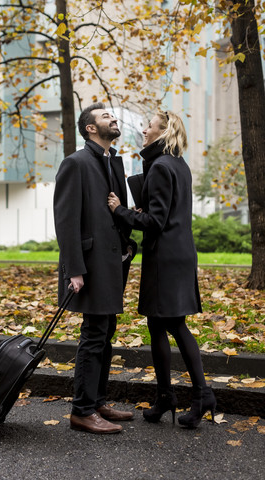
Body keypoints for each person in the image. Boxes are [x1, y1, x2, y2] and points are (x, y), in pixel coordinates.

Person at [108, 110, 216, 428]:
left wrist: (121, 211)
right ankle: (166, 396)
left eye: (149, 126)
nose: (144, 130)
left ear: (163, 132)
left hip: (165, 259)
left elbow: (156, 222)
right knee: (158, 325)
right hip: (179, 253)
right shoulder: (178, 165)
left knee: (174, 326)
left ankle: (201, 394)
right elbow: (165, 213)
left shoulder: (160, 166)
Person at [53, 102, 136, 434]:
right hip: (88, 265)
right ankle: (82, 411)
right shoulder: (75, 163)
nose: (113, 118)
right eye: (105, 116)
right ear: (90, 128)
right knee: (94, 335)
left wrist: (128, 243)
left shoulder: (111, 161)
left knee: (107, 333)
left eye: (112, 116)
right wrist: (74, 268)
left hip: (113, 262)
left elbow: (115, 211)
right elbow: (66, 219)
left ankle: (97, 400)